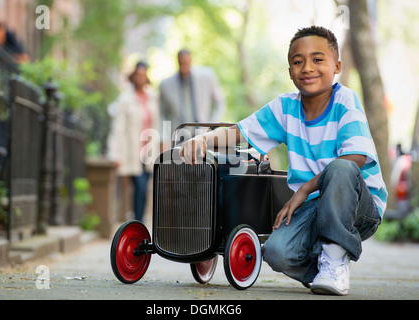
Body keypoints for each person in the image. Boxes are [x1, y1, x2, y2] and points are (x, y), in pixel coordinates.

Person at [179, 26, 387, 296]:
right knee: (275, 253)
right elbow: (240, 132)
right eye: (297, 62)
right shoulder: (286, 107)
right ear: (290, 72)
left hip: (359, 205)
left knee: (341, 167)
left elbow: (356, 156)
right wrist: (201, 140)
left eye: (317, 59)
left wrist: (303, 189)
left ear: (337, 65)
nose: (307, 68)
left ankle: (335, 258)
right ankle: (327, 260)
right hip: (314, 208)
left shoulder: (345, 100)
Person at [107, 61, 160, 222]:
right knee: (140, 187)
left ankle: (139, 222)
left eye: (144, 76)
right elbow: (118, 127)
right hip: (133, 151)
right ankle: (138, 222)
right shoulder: (125, 99)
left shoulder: (153, 97)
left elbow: (157, 125)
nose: (141, 79)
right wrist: (115, 153)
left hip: (149, 153)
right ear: (133, 77)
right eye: (138, 75)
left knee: (144, 190)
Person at [159, 49, 226, 140]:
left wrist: (211, 126)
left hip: (203, 134)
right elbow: (162, 113)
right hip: (178, 137)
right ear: (177, 62)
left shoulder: (207, 76)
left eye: (186, 62)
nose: (184, 66)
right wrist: (164, 137)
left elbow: (220, 103)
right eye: (181, 63)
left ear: (191, 60)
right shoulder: (166, 84)